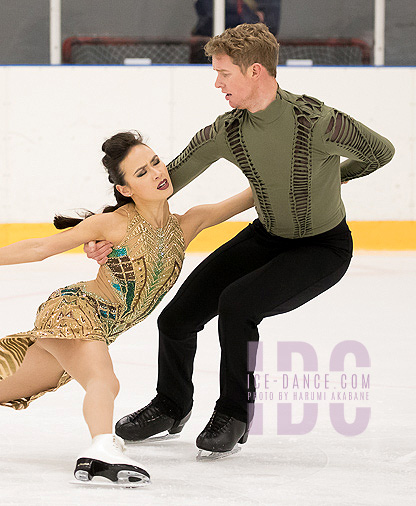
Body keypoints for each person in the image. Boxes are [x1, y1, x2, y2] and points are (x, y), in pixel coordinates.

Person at [0, 132, 255, 486]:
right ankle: (102, 449)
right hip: (77, 311)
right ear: (124, 188)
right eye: (141, 172)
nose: (158, 174)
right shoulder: (113, 224)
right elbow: (41, 247)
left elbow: (251, 196)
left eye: (157, 163)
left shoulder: (189, 222)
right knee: (104, 381)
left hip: (101, 326)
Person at [85, 23, 395, 456]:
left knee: (238, 305)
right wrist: (107, 226)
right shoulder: (228, 130)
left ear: (255, 72)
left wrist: (333, 179)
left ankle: (234, 413)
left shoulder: (318, 121)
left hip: (322, 248)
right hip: (266, 236)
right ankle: (171, 405)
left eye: (224, 73)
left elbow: (382, 151)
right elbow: (165, 179)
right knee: (176, 319)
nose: (217, 83)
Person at [192, 1, 282, 37]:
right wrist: (254, 17)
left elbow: (271, 25)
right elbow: (209, 16)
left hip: (251, 50)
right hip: (208, 50)